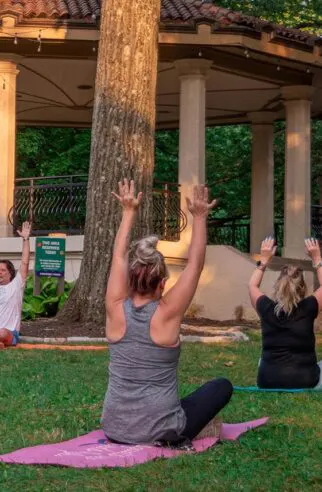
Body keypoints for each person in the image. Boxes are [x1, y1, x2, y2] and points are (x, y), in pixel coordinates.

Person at [102, 180, 232, 446]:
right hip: (158, 430)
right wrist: (199, 216)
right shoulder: (166, 313)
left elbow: (118, 258)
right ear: (162, 283)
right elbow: (194, 266)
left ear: (130, 278)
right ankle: (169, 434)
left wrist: (128, 212)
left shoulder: (115, 308)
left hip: (114, 427)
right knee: (221, 386)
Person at [247, 236, 322, 389]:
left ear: (278, 286)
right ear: (302, 288)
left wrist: (264, 262)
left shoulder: (266, 308)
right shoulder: (309, 307)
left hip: (268, 381)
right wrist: (317, 258)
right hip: (306, 380)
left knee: (263, 360)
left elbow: (252, 286)